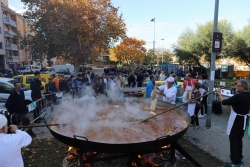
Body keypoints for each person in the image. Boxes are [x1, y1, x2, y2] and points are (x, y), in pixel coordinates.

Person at [216, 79, 250, 167]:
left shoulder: (239, 96)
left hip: (237, 120)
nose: (236, 87)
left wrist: (219, 93)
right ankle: (239, 156)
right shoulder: (248, 95)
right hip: (244, 120)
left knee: (234, 139)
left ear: (243, 87)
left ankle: (236, 162)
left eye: (237, 86)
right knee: (238, 139)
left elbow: (224, 102)